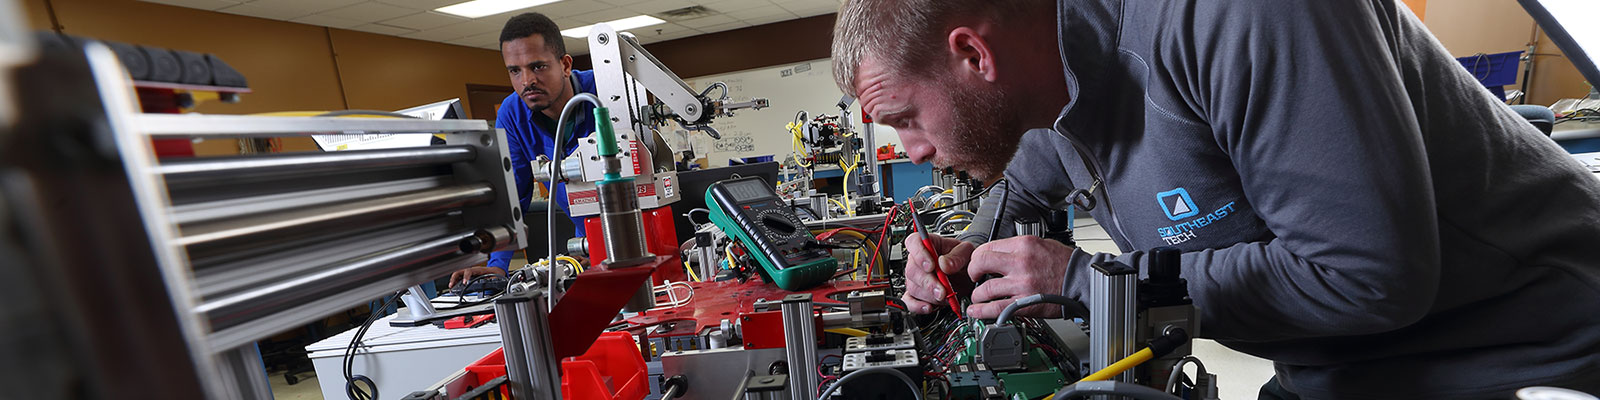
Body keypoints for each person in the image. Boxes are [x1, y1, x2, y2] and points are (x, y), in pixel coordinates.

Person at [833, 0, 1600, 397]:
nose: (913, 151)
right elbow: (1022, 188)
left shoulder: (1237, 15)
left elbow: (1370, 275)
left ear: (974, 54)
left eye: (903, 119)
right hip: (1340, 370)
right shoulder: (1044, 87)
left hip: (1523, 353)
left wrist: (1082, 283)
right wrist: (965, 253)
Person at [450, 12, 596, 288]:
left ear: (565, 65)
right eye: (514, 71)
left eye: (538, 67)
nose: (526, 81)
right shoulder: (513, 113)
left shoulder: (606, 90)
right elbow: (514, 194)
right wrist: (496, 267)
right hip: (585, 246)